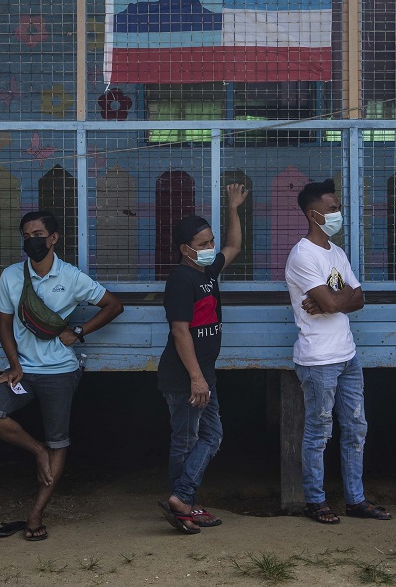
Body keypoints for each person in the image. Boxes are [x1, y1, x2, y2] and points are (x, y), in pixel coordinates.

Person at [0, 211, 123, 541]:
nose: (33, 240)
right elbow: (3, 325)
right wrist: (14, 366)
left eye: (39, 234)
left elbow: (114, 305)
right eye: (27, 235)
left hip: (60, 372)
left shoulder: (71, 277)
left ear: (54, 238)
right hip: (23, 370)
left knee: (59, 440)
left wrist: (79, 331)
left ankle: (36, 514)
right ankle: (38, 451)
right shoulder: (11, 276)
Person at [285, 179, 390, 525]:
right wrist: (335, 301)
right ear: (313, 214)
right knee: (319, 431)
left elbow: (358, 299)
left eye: (337, 208)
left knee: (356, 427)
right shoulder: (302, 255)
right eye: (331, 209)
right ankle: (315, 501)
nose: (338, 213)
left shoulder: (337, 253)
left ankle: (355, 500)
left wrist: (332, 304)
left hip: (347, 354)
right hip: (318, 360)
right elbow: (339, 298)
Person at [157, 183, 250, 534]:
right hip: (184, 377)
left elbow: (235, 245)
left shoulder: (205, 272)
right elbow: (181, 331)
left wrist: (233, 209)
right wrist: (196, 378)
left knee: (210, 436)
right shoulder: (181, 279)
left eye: (210, 241)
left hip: (203, 373)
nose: (211, 247)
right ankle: (183, 502)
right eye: (203, 244)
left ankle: (182, 499)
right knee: (187, 440)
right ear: (185, 249)